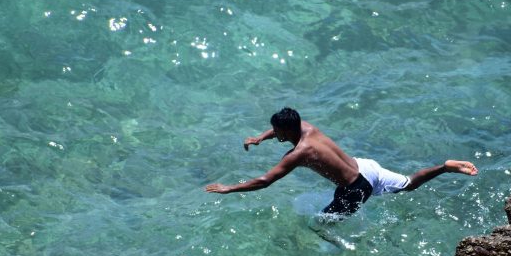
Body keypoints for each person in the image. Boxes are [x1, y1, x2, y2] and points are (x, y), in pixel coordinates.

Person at [205, 107, 478, 216]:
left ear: (286, 131)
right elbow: (279, 129)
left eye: (276, 132)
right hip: (365, 166)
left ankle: (338, 253)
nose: (274, 134)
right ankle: (444, 167)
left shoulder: (298, 154)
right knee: (408, 184)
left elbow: (265, 181)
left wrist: (230, 188)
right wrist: (260, 138)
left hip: (357, 187)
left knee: (321, 226)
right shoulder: (308, 128)